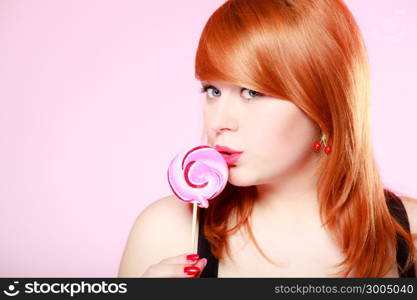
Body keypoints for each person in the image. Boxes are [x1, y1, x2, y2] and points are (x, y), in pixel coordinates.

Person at [118, 0, 417, 278]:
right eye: (213, 90)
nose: (219, 122)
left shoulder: (410, 234)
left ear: (323, 106)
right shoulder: (166, 232)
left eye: (251, 92)